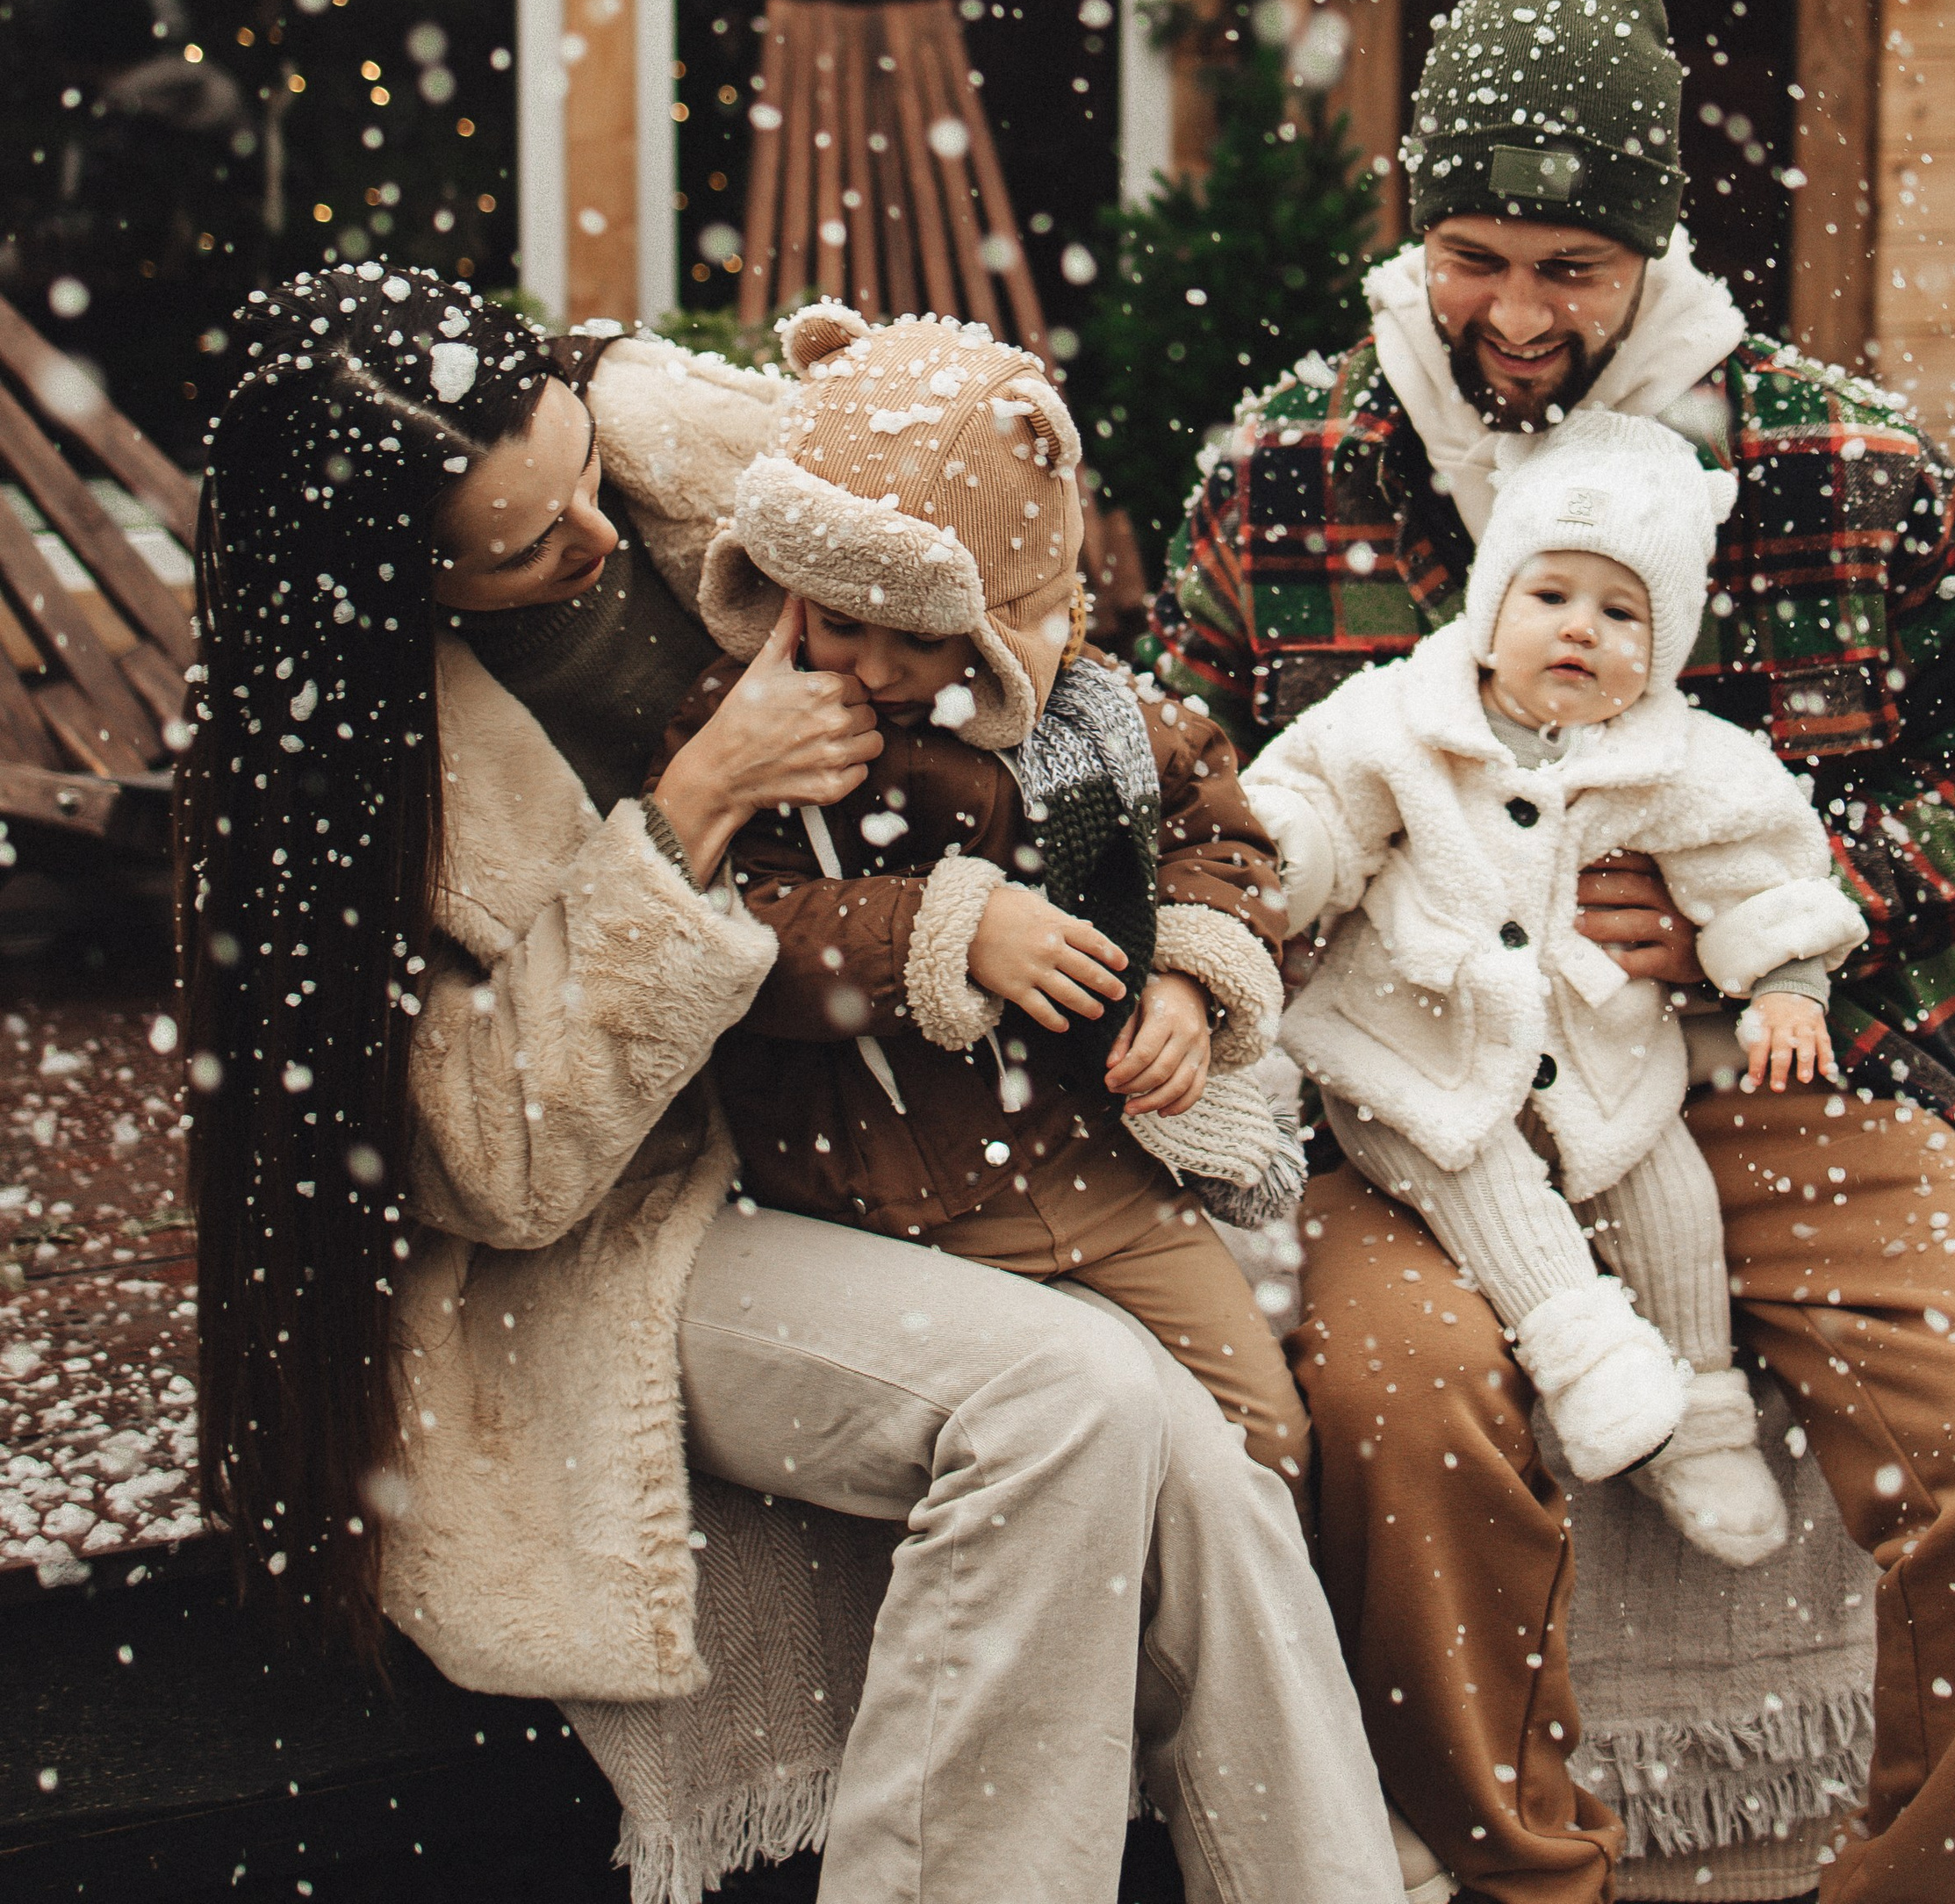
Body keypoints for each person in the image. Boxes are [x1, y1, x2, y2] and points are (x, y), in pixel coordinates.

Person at [176, 263, 1400, 1904]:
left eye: (581, 479)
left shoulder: (697, 464)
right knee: (1070, 1403)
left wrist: (1167, 939)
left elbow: (1002, 565)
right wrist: (688, 814)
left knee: (1219, 1476)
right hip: (633, 1232)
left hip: (885, 1136)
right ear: (392, 589)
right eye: (529, 549)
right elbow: (493, 1167)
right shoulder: (352, 777)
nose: (598, 549)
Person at [1156, 0, 1955, 1904]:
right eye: (1472, 255)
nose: (1513, 316)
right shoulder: (1282, 471)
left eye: (1571, 267)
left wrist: (1798, 907)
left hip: (1790, 1072)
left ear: (1654, 255)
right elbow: (1184, 786)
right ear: (1412, 231)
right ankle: (1516, 1878)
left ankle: (1934, 1881)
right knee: (1393, 1416)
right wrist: (1269, 904)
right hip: (1423, 1111)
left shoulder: (1842, 463)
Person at [672, 301, 1312, 1484]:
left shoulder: (1104, 717)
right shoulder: (753, 731)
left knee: (1260, 1442)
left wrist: (1186, 976)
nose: (861, 665)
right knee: (1078, 1459)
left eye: (907, 635)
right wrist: (941, 927)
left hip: (1101, 1162)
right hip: (881, 1195)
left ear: (1005, 619)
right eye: (832, 619)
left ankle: (1192, 1662)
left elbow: (1222, 842)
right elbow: (721, 931)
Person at [1245, 406, 1863, 1566]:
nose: (1580, 630)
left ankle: (1704, 1414)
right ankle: (1582, 1351)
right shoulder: (1402, 717)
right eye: (1550, 596)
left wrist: (1787, 980)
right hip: (1411, 1042)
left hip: (1597, 1048)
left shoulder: (1682, 757)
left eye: (1621, 611)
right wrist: (1287, 856)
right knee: (1478, 1176)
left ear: (1663, 644)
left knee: (1666, 1192)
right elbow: (1317, 799)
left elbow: (1763, 865)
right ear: (1490, 608)